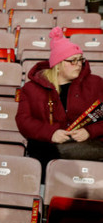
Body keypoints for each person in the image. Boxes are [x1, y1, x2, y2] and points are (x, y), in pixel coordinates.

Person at [16, 26, 103, 171]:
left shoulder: (96, 83)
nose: (78, 65)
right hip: (47, 146)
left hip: (88, 144)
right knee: (45, 154)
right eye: (72, 61)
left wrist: (89, 131)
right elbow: (23, 121)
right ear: (58, 64)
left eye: (80, 60)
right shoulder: (31, 89)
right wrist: (51, 133)